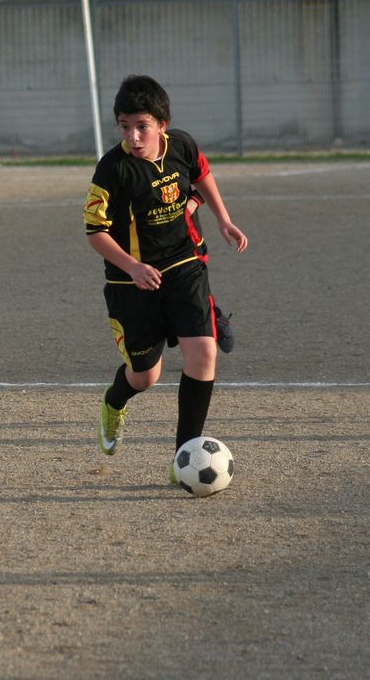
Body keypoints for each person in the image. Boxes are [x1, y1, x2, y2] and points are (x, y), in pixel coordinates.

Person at [82, 74, 248, 483]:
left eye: (142, 126)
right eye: (125, 127)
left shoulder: (182, 146)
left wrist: (223, 219)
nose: (133, 136)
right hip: (132, 282)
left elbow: (201, 172)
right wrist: (132, 267)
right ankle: (114, 401)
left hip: (182, 263)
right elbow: (95, 232)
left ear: (162, 124)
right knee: (145, 376)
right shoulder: (112, 169)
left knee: (203, 353)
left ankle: (183, 459)